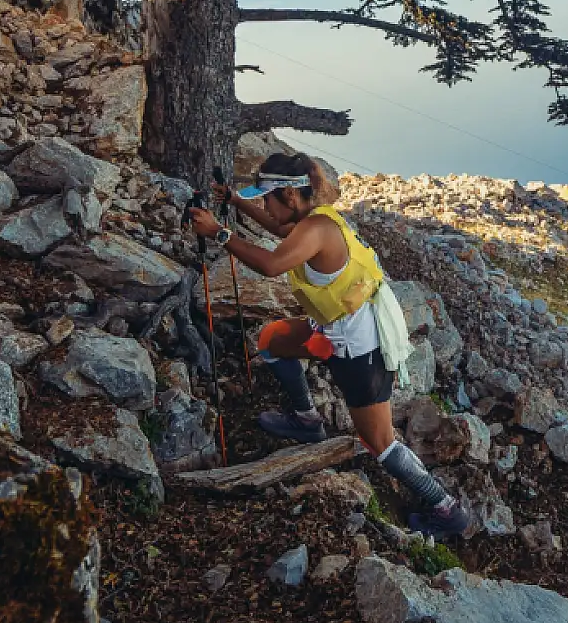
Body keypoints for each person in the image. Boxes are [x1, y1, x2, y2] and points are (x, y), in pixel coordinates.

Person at [187, 152, 473, 539]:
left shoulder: (316, 230)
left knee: (380, 443)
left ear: (289, 195)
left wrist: (219, 233)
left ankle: (446, 509)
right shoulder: (312, 219)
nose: (264, 206)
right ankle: (307, 422)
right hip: (332, 328)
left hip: (361, 349)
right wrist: (236, 204)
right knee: (271, 341)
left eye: (266, 198)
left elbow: (272, 265)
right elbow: (279, 230)